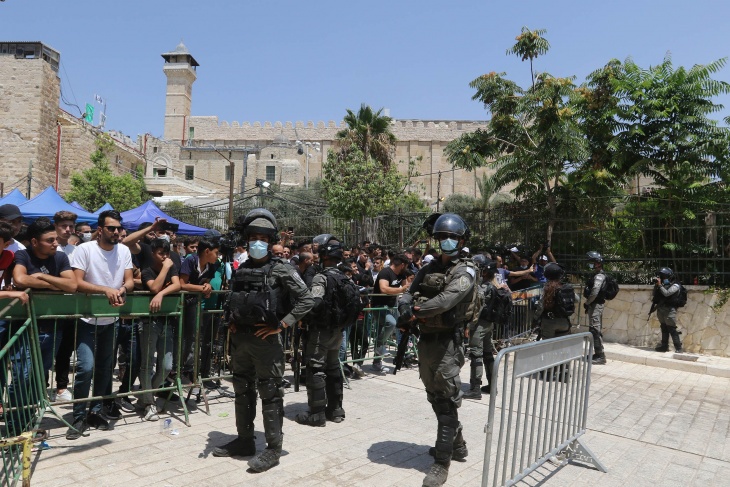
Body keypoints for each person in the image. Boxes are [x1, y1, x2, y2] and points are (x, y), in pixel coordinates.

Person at [212, 208, 313, 473]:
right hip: (241, 341)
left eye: (263, 237)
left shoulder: (281, 269)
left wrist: (282, 325)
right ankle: (245, 441)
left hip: (266, 343)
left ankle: (273, 448)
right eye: (253, 236)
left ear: (270, 240)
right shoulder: (242, 268)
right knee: (242, 391)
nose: (258, 242)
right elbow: (233, 298)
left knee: (270, 394)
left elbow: (308, 298)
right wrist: (230, 319)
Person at [398, 213, 479, 487]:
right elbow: (408, 291)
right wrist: (404, 305)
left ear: (462, 240)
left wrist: (415, 313)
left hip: (447, 342)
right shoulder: (429, 267)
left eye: (452, 237)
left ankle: (441, 463)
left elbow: (447, 300)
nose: (446, 241)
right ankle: (457, 443)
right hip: (426, 340)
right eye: (442, 237)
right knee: (433, 394)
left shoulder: (466, 271)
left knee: (446, 398)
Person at [67, 210, 134, 440]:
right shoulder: (84, 250)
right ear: (100, 229)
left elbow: (130, 280)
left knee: (105, 369)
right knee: (86, 368)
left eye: (118, 228)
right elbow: (77, 282)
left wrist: (122, 290)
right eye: (111, 228)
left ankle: (96, 412)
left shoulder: (124, 250)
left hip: (111, 320)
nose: (116, 232)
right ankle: (78, 415)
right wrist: (106, 290)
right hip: (87, 319)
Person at [12, 218, 78, 379]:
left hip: (53, 327)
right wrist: (56, 284)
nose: (55, 243)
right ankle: (18, 405)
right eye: (50, 240)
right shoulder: (23, 254)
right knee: (22, 376)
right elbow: (20, 279)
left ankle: (34, 404)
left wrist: (42, 276)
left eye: (55, 239)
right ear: (34, 241)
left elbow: (72, 285)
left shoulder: (61, 258)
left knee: (40, 374)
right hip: (25, 326)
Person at [296, 234, 350, 426]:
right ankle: (336, 410)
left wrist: (303, 318)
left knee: (316, 368)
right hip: (338, 331)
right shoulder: (344, 276)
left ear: (325, 256)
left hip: (320, 331)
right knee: (334, 368)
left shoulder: (321, 277)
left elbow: (315, 302)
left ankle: (317, 414)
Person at [139, 238, 181, 421]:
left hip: (167, 321)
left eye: (167, 253)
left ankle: (146, 394)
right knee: (147, 364)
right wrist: (164, 270)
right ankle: (149, 403)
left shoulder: (171, 268)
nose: (165, 257)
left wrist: (162, 294)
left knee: (166, 366)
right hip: (150, 322)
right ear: (152, 253)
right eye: (160, 253)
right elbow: (154, 286)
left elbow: (177, 285)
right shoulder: (147, 271)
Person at [463, 255, 505, 400]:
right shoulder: (493, 286)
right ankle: (492, 385)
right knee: (487, 354)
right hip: (488, 325)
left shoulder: (482, 288)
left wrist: (468, 326)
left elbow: (476, 310)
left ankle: (475, 388)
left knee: (476, 355)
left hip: (479, 325)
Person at [371, 254, 409, 373]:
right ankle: (379, 347)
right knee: (391, 323)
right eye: (406, 265)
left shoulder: (402, 274)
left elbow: (406, 287)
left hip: (392, 306)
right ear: (402, 265)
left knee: (385, 330)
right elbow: (384, 289)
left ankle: (376, 362)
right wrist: (400, 290)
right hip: (379, 306)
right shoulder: (385, 273)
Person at [534, 263, 573, 340]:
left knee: (547, 347)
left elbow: (541, 306)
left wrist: (535, 319)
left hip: (549, 322)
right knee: (561, 346)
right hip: (565, 322)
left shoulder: (547, 288)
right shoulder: (564, 287)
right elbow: (577, 299)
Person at [584, 251, 607, 365]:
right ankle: (597, 353)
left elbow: (594, 292)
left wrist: (587, 303)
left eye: (592, 262)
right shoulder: (596, 275)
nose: (590, 265)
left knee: (595, 329)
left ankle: (600, 356)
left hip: (596, 305)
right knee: (594, 328)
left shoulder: (599, 276)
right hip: (594, 305)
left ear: (598, 263)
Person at [653, 267, 683, 353]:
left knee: (672, 329)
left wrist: (659, 285)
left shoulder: (675, 285)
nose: (662, 279)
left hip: (669, 310)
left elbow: (667, 293)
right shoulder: (661, 285)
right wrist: (657, 286)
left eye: (663, 277)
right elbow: (654, 294)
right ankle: (664, 346)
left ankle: (678, 348)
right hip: (661, 308)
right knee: (664, 328)